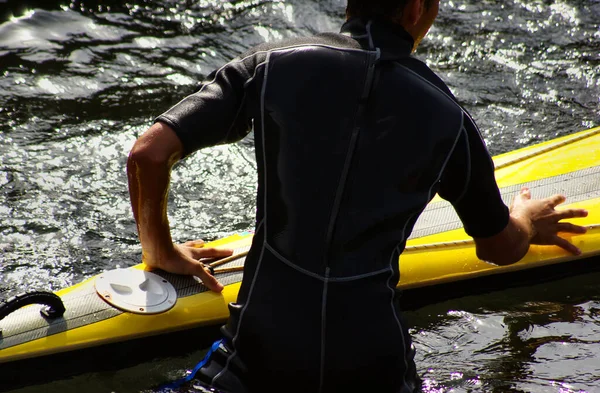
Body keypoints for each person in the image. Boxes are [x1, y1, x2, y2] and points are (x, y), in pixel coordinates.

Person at [126, 0, 588, 392]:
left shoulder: (272, 65)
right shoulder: (449, 118)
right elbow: (499, 247)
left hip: (261, 354)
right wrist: (527, 218)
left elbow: (148, 154)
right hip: (374, 365)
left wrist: (160, 250)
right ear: (413, 10)